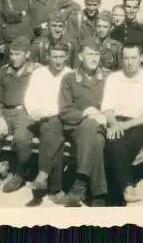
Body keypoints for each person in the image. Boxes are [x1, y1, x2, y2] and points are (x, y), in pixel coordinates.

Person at [102, 44, 143, 204]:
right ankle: (126, 187)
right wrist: (115, 123)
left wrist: (124, 126)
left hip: (141, 123)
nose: (130, 62)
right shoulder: (114, 78)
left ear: (141, 58)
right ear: (121, 59)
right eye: (126, 58)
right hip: (117, 121)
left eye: (133, 58)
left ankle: (122, 189)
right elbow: (107, 107)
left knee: (118, 143)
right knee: (114, 142)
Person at [0, 37, 40, 196]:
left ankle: (19, 174)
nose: (13, 58)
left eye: (17, 54)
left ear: (27, 54)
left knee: (21, 139)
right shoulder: (3, 72)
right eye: (11, 54)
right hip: (5, 113)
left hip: (25, 113)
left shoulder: (36, 71)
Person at [57, 37, 110, 207]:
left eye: (97, 54)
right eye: (90, 54)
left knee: (95, 130)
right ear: (80, 56)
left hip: (103, 126)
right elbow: (65, 111)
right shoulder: (69, 79)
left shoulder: (108, 78)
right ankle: (98, 194)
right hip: (75, 128)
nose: (94, 58)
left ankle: (80, 184)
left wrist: (104, 117)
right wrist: (85, 113)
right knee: (97, 140)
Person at [24, 42, 73, 203]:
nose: (57, 61)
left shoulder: (70, 74)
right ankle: (55, 190)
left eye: (61, 57)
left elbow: (69, 104)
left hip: (61, 119)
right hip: (41, 119)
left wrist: (52, 114)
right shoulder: (39, 74)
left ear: (66, 57)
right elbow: (29, 97)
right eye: (54, 57)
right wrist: (34, 111)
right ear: (48, 57)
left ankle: (43, 174)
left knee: (53, 129)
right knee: (54, 136)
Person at [110, 0, 143, 74]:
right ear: (124, 7)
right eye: (128, 7)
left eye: (135, 7)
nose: (131, 11)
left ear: (138, 8)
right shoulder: (115, 32)